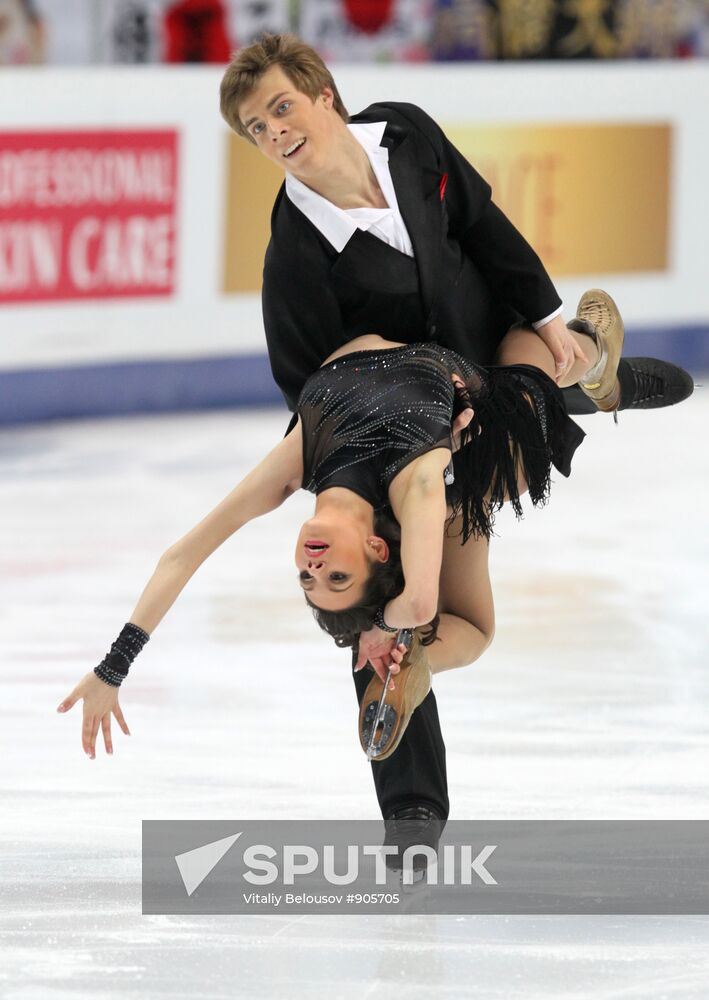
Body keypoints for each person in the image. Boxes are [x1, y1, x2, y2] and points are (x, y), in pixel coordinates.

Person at [216, 33, 694, 833]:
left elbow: (481, 222)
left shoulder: (403, 132)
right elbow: (306, 386)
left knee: (520, 402)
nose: (273, 133)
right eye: (256, 129)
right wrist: (348, 490)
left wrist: (542, 317)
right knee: (368, 600)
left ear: (322, 94)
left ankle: (575, 373)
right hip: (409, 428)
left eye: (279, 109)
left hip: (491, 342)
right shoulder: (296, 254)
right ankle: (411, 806)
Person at [56, 316, 599, 761]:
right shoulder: (421, 484)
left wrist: (113, 667)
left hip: (440, 418)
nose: (314, 568)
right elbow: (421, 601)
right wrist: (385, 624)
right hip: (495, 451)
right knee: (530, 337)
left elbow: (180, 556)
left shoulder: (296, 464)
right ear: (375, 550)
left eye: (308, 578)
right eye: (336, 577)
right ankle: (601, 356)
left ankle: (414, 657)